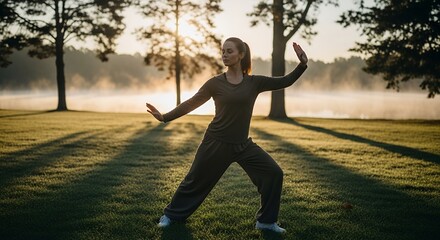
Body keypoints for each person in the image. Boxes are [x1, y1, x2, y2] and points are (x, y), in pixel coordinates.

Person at [146, 37, 308, 233]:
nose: (224, 54)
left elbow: (284, 81)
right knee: (194, 180)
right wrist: (164, 117)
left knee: (273, 173)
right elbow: (191, 103)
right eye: (223, 51)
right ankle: (170, 215)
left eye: (229, 51)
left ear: (241, 55)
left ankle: (266, 221)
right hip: (215, 142)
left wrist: (302, 65)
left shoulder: (254, 82)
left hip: (243, 145)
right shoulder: (215, 83)